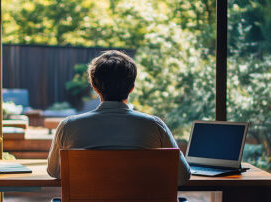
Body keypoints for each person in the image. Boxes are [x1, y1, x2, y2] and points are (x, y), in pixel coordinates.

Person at [47, 50, 191, 185]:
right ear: (132, 88)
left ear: (94, 87)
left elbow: (54, 171)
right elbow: (182, 176)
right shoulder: (154, 126)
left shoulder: (69, 126)